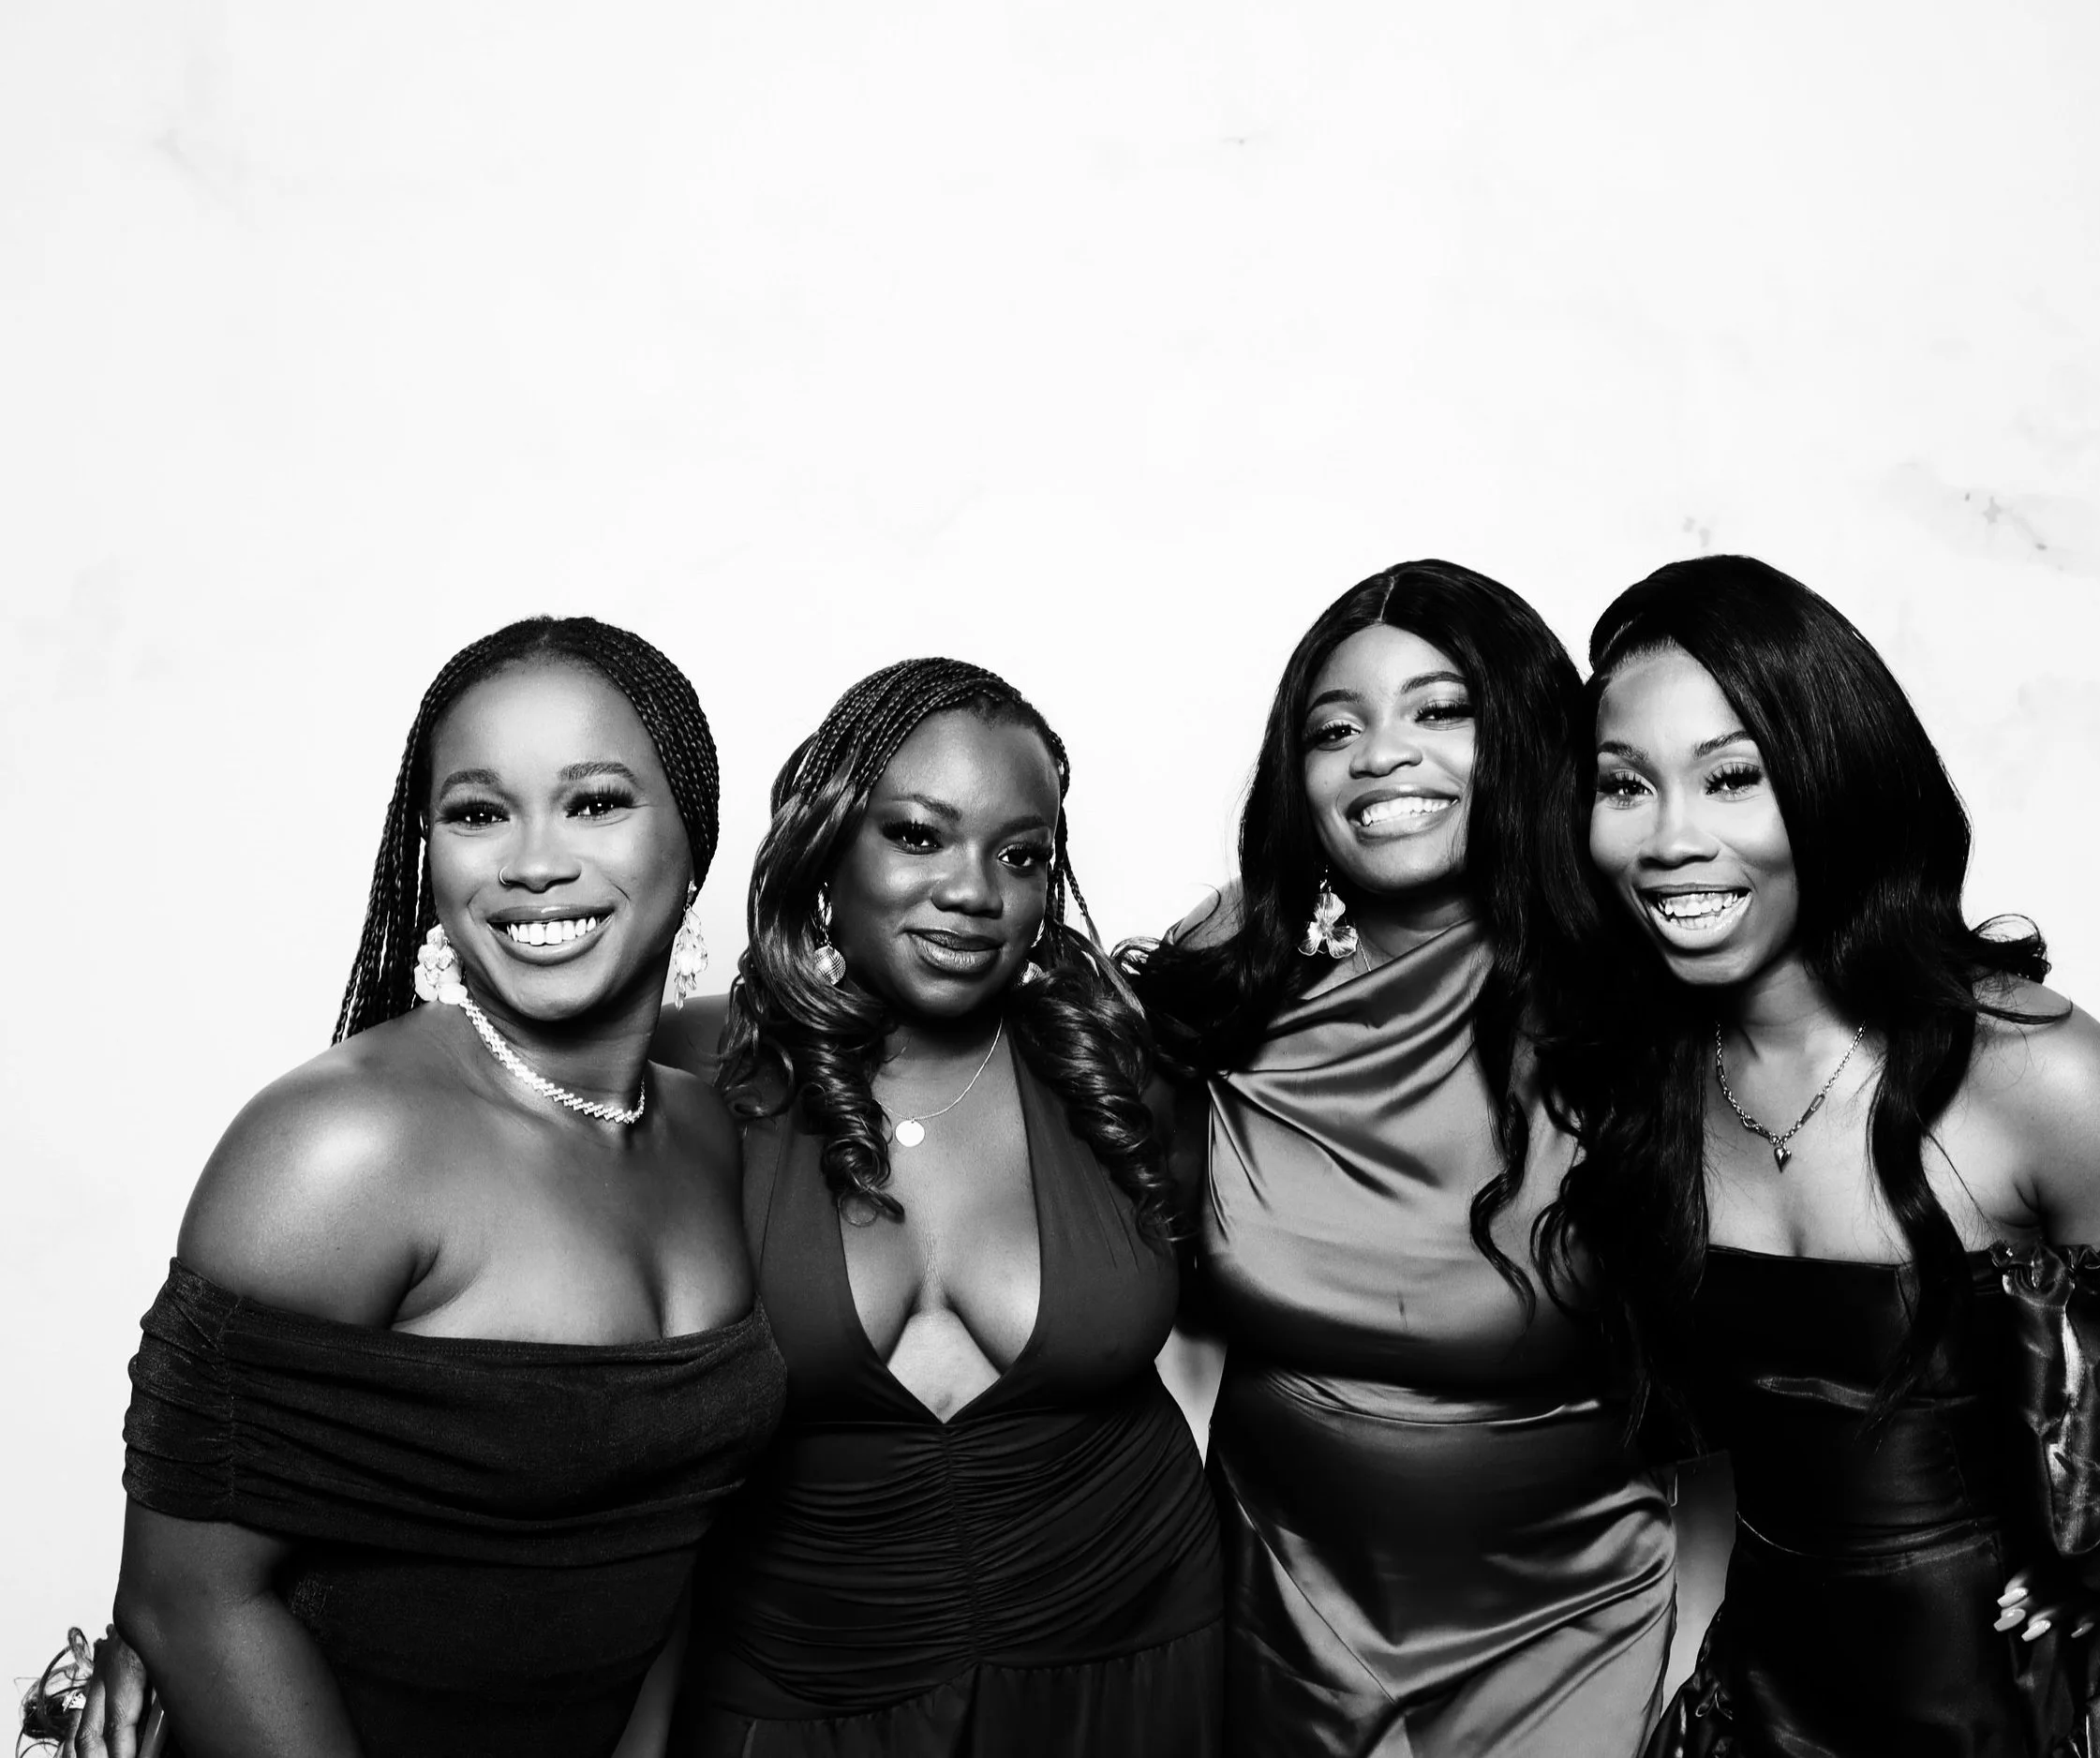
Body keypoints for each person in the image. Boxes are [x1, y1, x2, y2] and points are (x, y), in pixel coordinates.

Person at [1564, 555, 2100, 1756]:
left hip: (2056, 1721)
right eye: (1625, 785)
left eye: (1731, 777)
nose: (1670, 839)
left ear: (1835, 777)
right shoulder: (1641, 1087)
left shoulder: (2040, 1078)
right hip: (1774, 1717)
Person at [62, 618, 787, 1758]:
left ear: (691, 837)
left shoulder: (706, 1129)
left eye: (595, 802)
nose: (534, 860)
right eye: (478, 813)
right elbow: (189, 1602)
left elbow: (664, 1545)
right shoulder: (343, 1146)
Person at [1123, 561, 1678, 1756]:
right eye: (1336, 729)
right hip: (1285, 1590)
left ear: (1523, 734)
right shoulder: (1227, 976)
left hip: (1565, 1603)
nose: (1380, 753)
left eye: (1439, 710)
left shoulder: (1630, 991)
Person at [652, 658, 1221, 1756]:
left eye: (1021, 855)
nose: (974, 891)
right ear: (827, 846)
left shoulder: (1113, 1067)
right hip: (802, 1685)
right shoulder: (698, 1072)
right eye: (918, 835)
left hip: (1130, 1652)